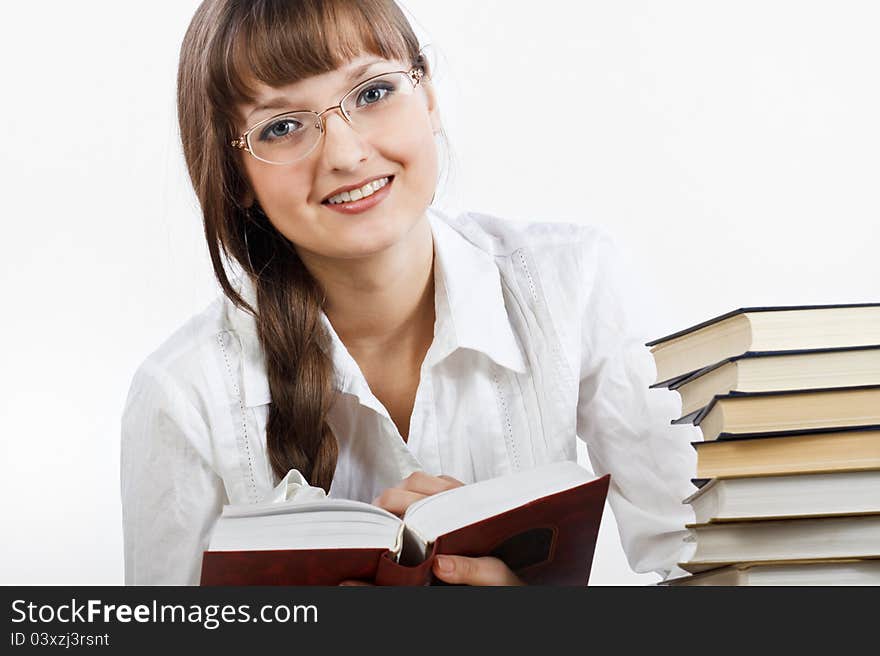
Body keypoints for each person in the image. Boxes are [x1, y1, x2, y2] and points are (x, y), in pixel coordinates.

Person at [121, 0, 697, 586]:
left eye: (372, 93)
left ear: (429, 98)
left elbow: (715, 570)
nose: (345, 155)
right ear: (235, 174)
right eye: (282, 126)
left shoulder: (575, 283)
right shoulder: (182, 394)